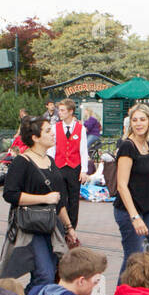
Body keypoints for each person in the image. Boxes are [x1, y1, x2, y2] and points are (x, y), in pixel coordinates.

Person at [0, 115, 78, 288]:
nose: (53, 134)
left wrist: (69, 227)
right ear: (35, 138)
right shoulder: (22, 161)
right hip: (31, 226)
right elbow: (10, 194)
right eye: (48, 131)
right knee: (45, 274)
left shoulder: (50, 161)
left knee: (52, 272)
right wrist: (44, 199)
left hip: (52, 225)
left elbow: (59, 199)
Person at [112, 103, 149, 295]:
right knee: (134, 259)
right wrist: (135, 217)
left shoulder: (148, 145)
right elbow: (121, 185)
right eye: (135, 120)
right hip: (130, 212)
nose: (138, 124)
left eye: (142, 119)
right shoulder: (127, 146)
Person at [53, 98, 90, 229]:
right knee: (61, 198)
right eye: (59, 110)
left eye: (62, 110)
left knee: (74, 200)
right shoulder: (55, 128)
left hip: (74, 167)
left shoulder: (81, 129)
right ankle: (61, 227)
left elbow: (83, 150)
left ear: (70, 111)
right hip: (59, 167)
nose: (60, 113)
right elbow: (52, 149)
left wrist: (84, 170)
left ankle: (72, 229)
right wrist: (51, 168)